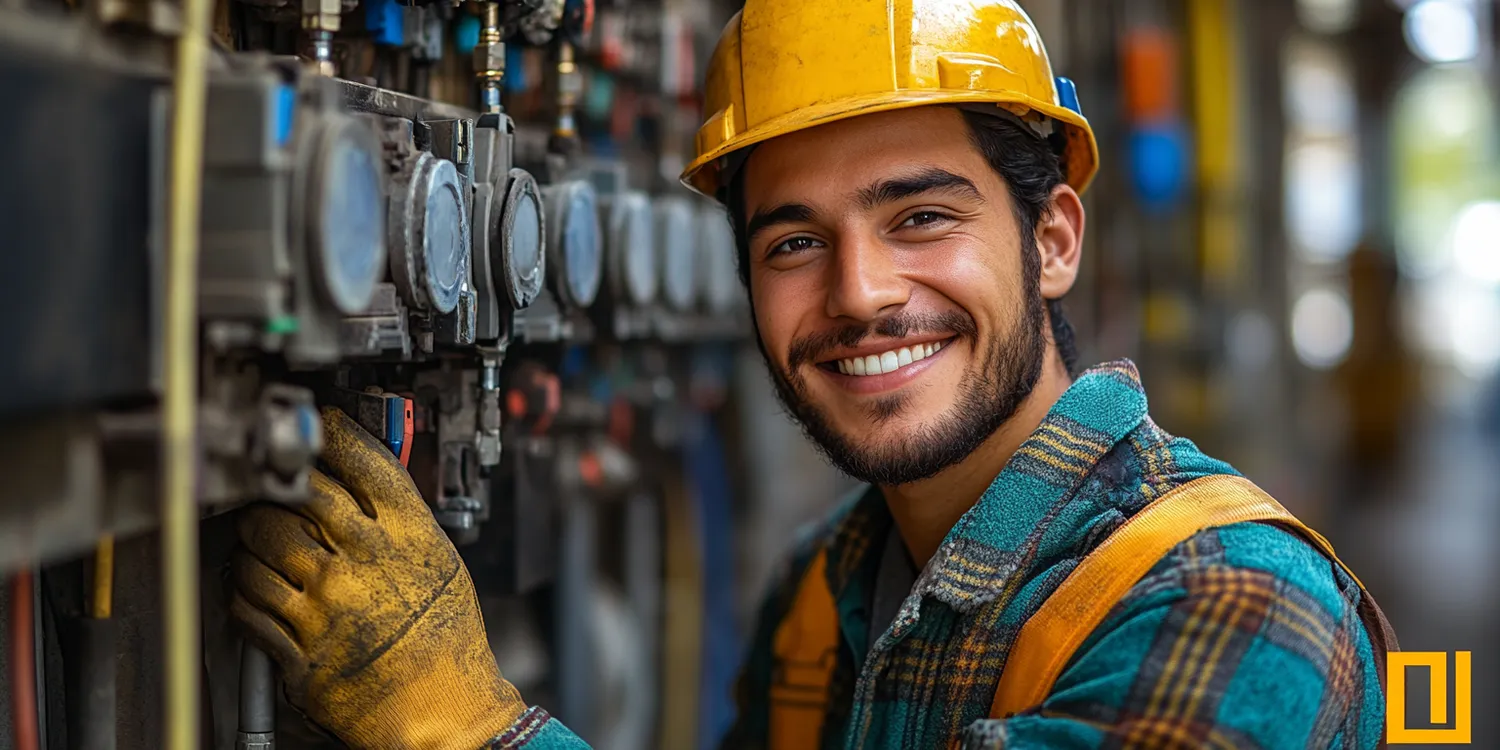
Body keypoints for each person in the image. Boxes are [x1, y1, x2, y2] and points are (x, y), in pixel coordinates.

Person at [230, 1, 1398, 748]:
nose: (859, 293)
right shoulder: (822, 594)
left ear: (1052, 240)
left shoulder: (1232, 601)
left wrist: (469, 730)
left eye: (922, 216)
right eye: (793, 242)